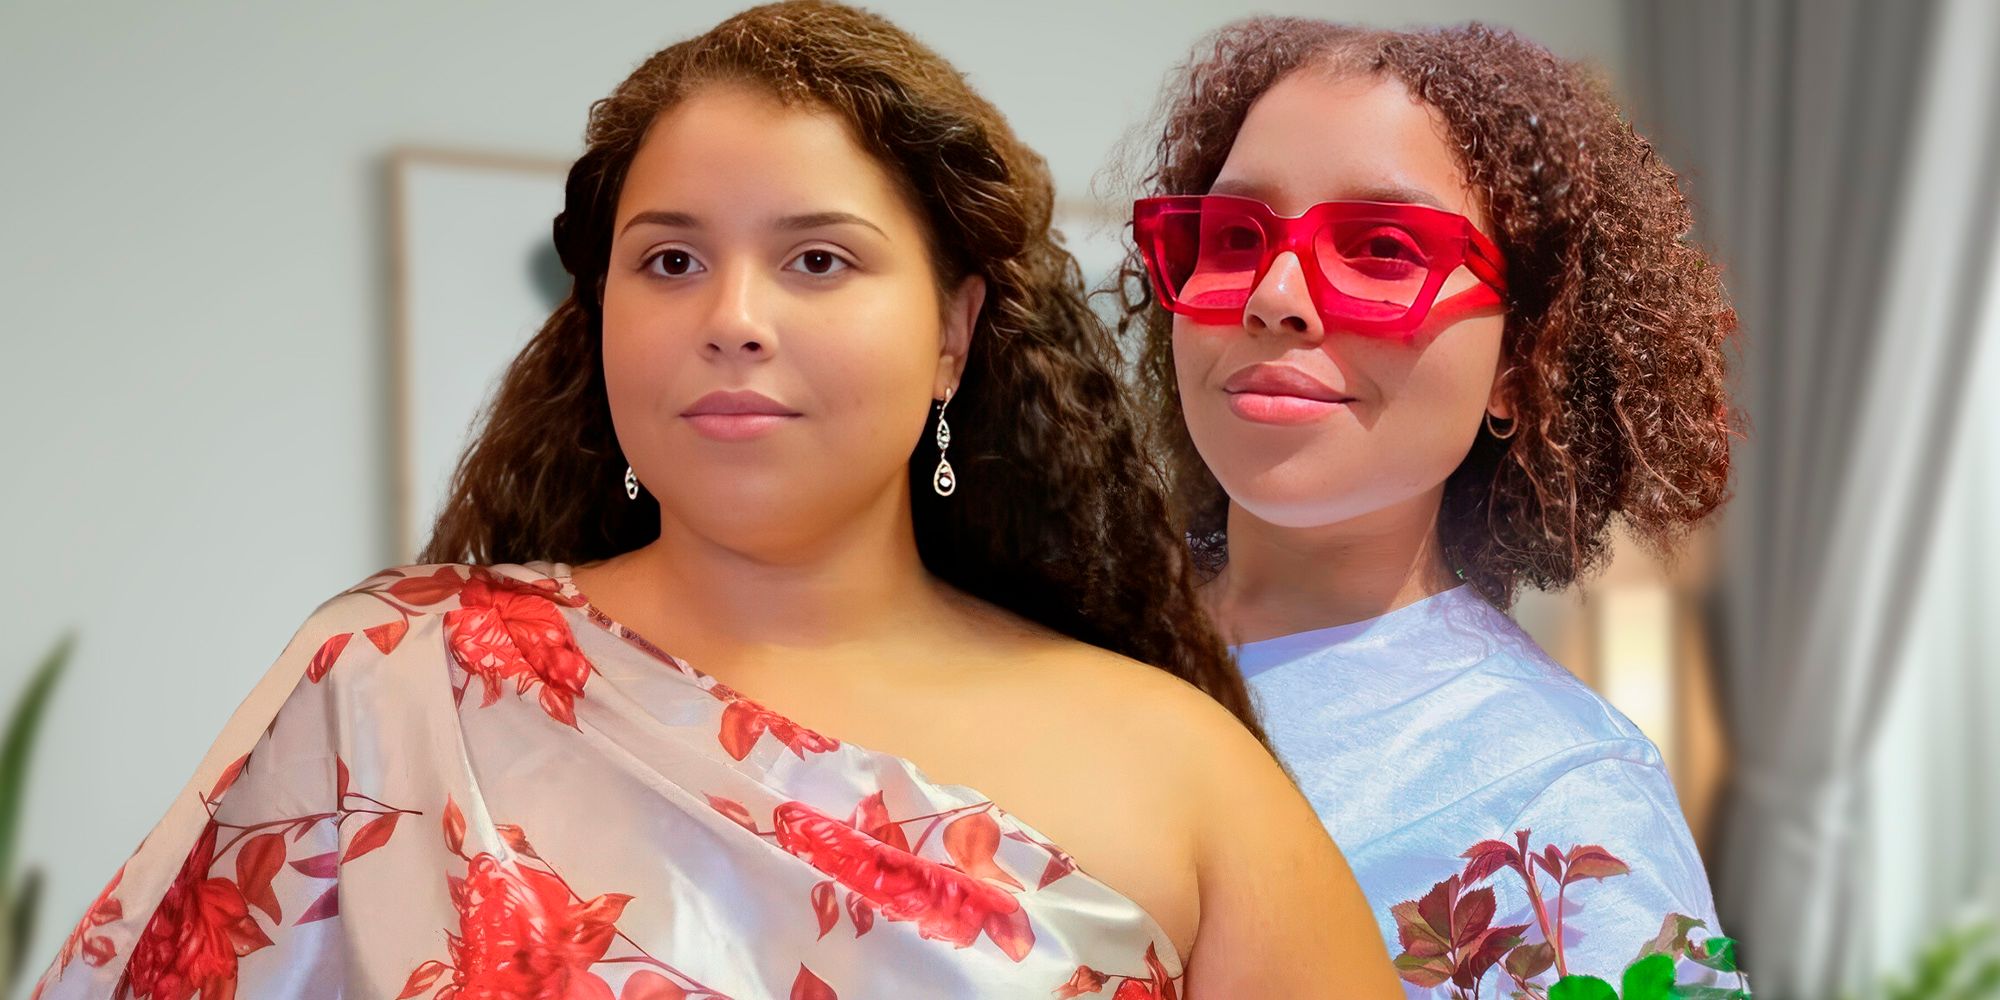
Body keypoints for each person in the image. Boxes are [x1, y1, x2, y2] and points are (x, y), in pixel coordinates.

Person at [30, 5, 1402, 999]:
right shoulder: (390, 686)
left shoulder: (1184, 775)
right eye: (671, 260)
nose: (732, 318)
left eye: (816, 260)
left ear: (954, 331)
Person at [1120, 18, 1744, 998]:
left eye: (1380, 249)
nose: (1274, 294)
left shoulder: (1564, 802)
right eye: (1234, 237)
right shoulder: (1043, 623)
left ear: (1517, 359)